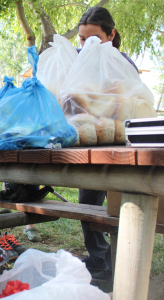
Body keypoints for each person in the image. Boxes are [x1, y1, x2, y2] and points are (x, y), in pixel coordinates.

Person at [77, 6, 138, 278]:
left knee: (120, 207)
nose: (87, 46)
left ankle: (119, 264)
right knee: (87, 202)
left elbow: (128, 107)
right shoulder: (78, 65)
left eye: (94, 39)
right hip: (86, 147)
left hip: (119, 148)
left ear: (111, 35)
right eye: (82, 40)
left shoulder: (121, 64)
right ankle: (99, 259)